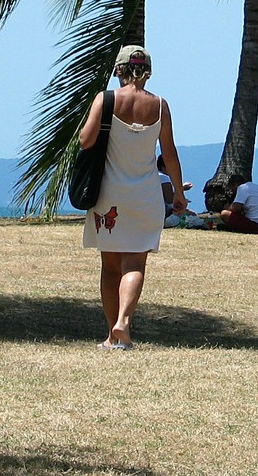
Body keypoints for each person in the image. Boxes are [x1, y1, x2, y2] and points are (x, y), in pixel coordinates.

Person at [80, 45, 185, 350]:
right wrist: (178, 192)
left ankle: (111, 335)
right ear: (148, 71)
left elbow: (86, 141)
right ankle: (123, 324)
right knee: (135, 263)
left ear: (119, 70)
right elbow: (170, 153)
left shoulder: (107, 99)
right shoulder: (161, 106)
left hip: (108, 197)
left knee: (110, 266)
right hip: (145, 197)